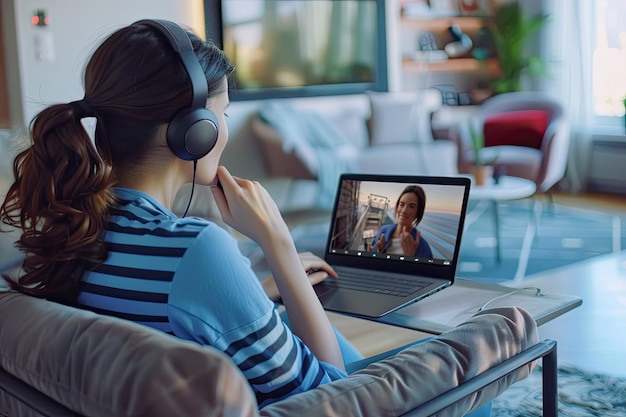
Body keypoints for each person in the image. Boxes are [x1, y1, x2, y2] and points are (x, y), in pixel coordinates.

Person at [0, 20, 352, 408]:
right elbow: (329, 396)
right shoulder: (197, 248)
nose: (224, 130)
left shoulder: (69, 228)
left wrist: (249, 293)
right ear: (194, 131)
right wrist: (278, 244)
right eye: (224, 115)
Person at [371, 185, 434, 258]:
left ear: (418, 212)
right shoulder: (383, 231)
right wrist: (378, 252)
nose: (404, 211)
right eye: (401, 204)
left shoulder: (423, 247)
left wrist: (410, 260)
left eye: (411, 206)